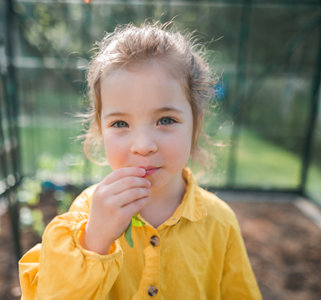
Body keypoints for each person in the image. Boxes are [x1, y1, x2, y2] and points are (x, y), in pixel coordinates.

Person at [19, 22, 262, 300]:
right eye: (121, 123)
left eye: (166, 120)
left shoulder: (220, 222)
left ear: (195, 125)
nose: (144, 146)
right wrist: (94, 241)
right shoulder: (86, 215)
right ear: (100, 130)